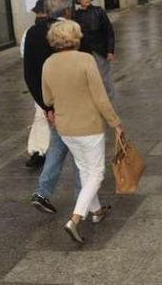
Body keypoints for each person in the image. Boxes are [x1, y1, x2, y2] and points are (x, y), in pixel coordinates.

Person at [42, 19, 124, 244]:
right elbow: (100, 96)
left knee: (84, 169)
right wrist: (115, 122)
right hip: (88, 125)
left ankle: (96, 211)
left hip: (65, 127)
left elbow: (47, 98)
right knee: (96, 173)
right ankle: (75, 219)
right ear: (75, 37)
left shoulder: (48, 63)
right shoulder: (86, 60)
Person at [25, 0, 81, 215]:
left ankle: (42, 192)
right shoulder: (70, 31)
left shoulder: (32, 32)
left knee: (58, 145)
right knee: (80, 149)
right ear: (68, 10)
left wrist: (46, 106)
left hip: (49, 102)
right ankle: (84, 201)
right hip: (72, 103)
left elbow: (29, 74)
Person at [73, 0, 116, 99]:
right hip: (84, 52)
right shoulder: (75, 16)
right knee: (87, 78)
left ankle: (108, 101)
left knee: (104, 78)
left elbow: (109, 31)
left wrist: (110, 50)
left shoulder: (99, 12)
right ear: (78, 0)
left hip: (100, 50)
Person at [22, 0, 49, 169]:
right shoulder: (29, 33)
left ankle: (39, 150)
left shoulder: (60, 28)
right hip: (42, 82)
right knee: (41, 116)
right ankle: (38, 151)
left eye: (42, 13)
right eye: (38, 13)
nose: (39, 16)